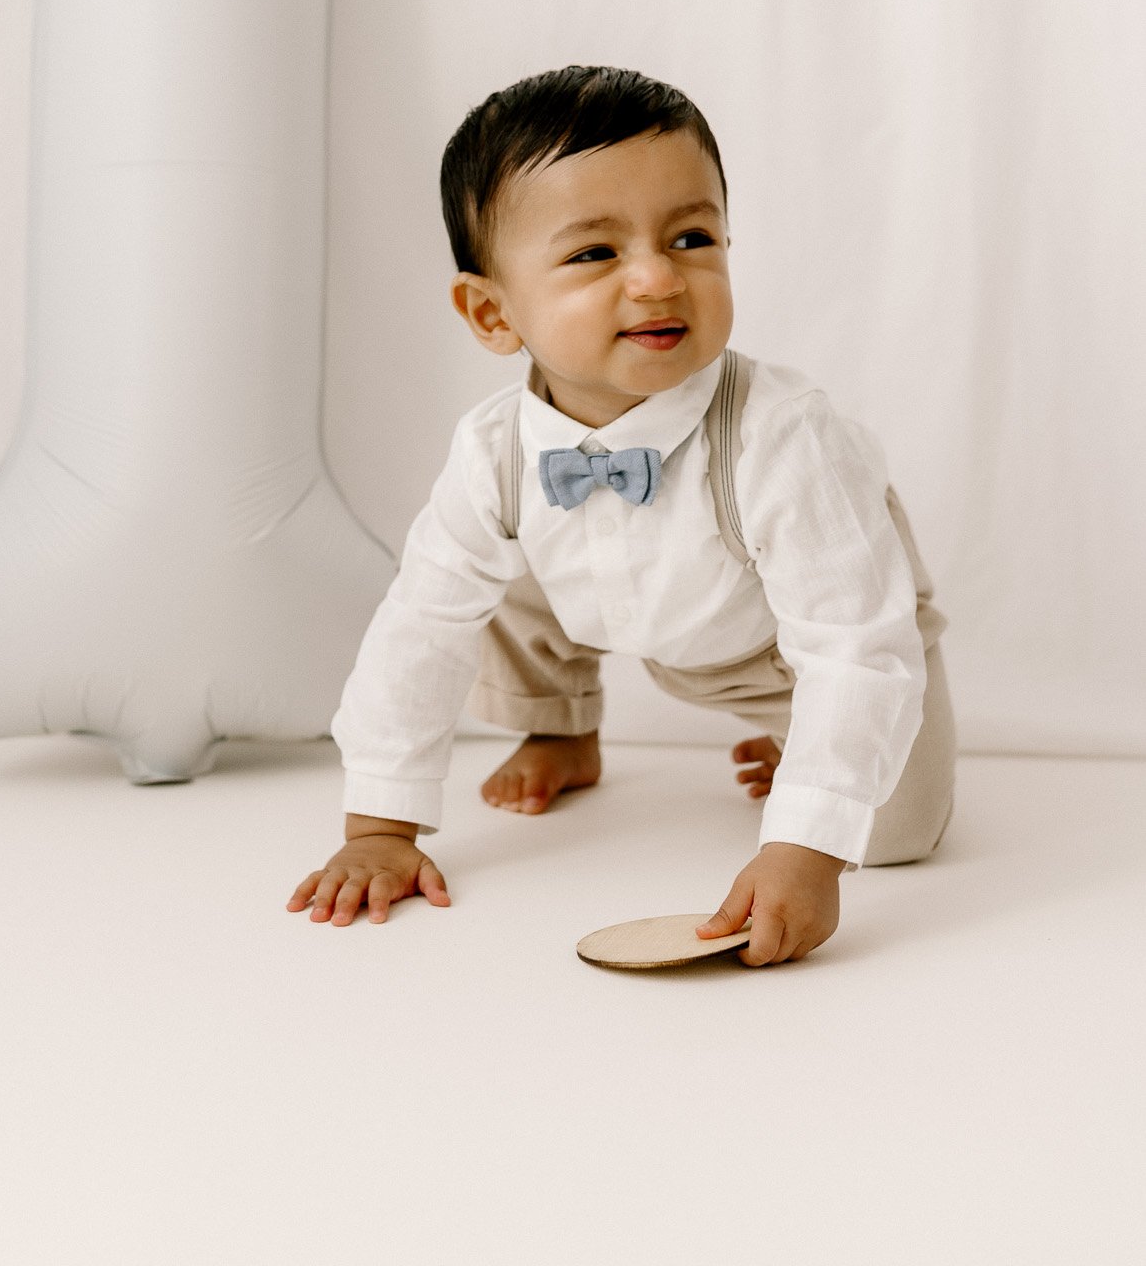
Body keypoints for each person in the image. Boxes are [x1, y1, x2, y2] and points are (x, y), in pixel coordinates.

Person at [287, 66, 956, 964]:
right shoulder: (494, 449)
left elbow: (853, 644)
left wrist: (805, 843)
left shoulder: (784, 436)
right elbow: (421, 624)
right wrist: (381, 822)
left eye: (690, 237)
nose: (654, 278)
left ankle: (799, 741)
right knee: (476, 582)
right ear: (491, 313)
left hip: (782, 647)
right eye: (594, 253)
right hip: (594, 603)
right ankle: (560, 726)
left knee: (893, 833)